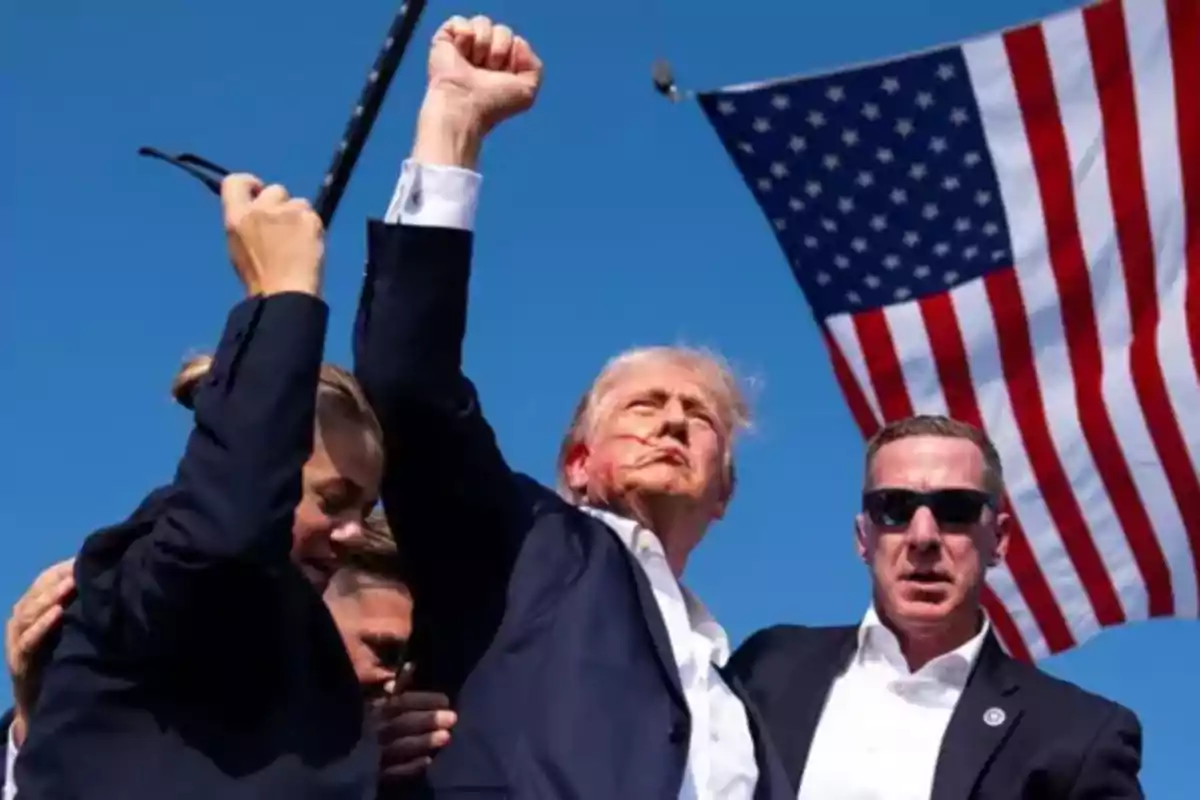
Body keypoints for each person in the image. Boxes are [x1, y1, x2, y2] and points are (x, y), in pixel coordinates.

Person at [353, 14, 792, 799]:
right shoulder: (520, 544)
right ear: (577, 463)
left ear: (725, 491)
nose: (671, 422)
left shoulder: (737, 687)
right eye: (643, 407)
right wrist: (452, 124)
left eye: (700, 417)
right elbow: (408, 385)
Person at [14, 176, 385, 799]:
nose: (353, 533)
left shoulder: (311, 676)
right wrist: (286, 295)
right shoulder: (158, 577)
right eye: (333, 499)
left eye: (366, 508)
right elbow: (227, 532)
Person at [727, 415, 1144, 799]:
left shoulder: (1079, 735)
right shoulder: (770, 666)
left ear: (998, 539)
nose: (923, 536)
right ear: (862, 538)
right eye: (894, 508)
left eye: (955, 510)